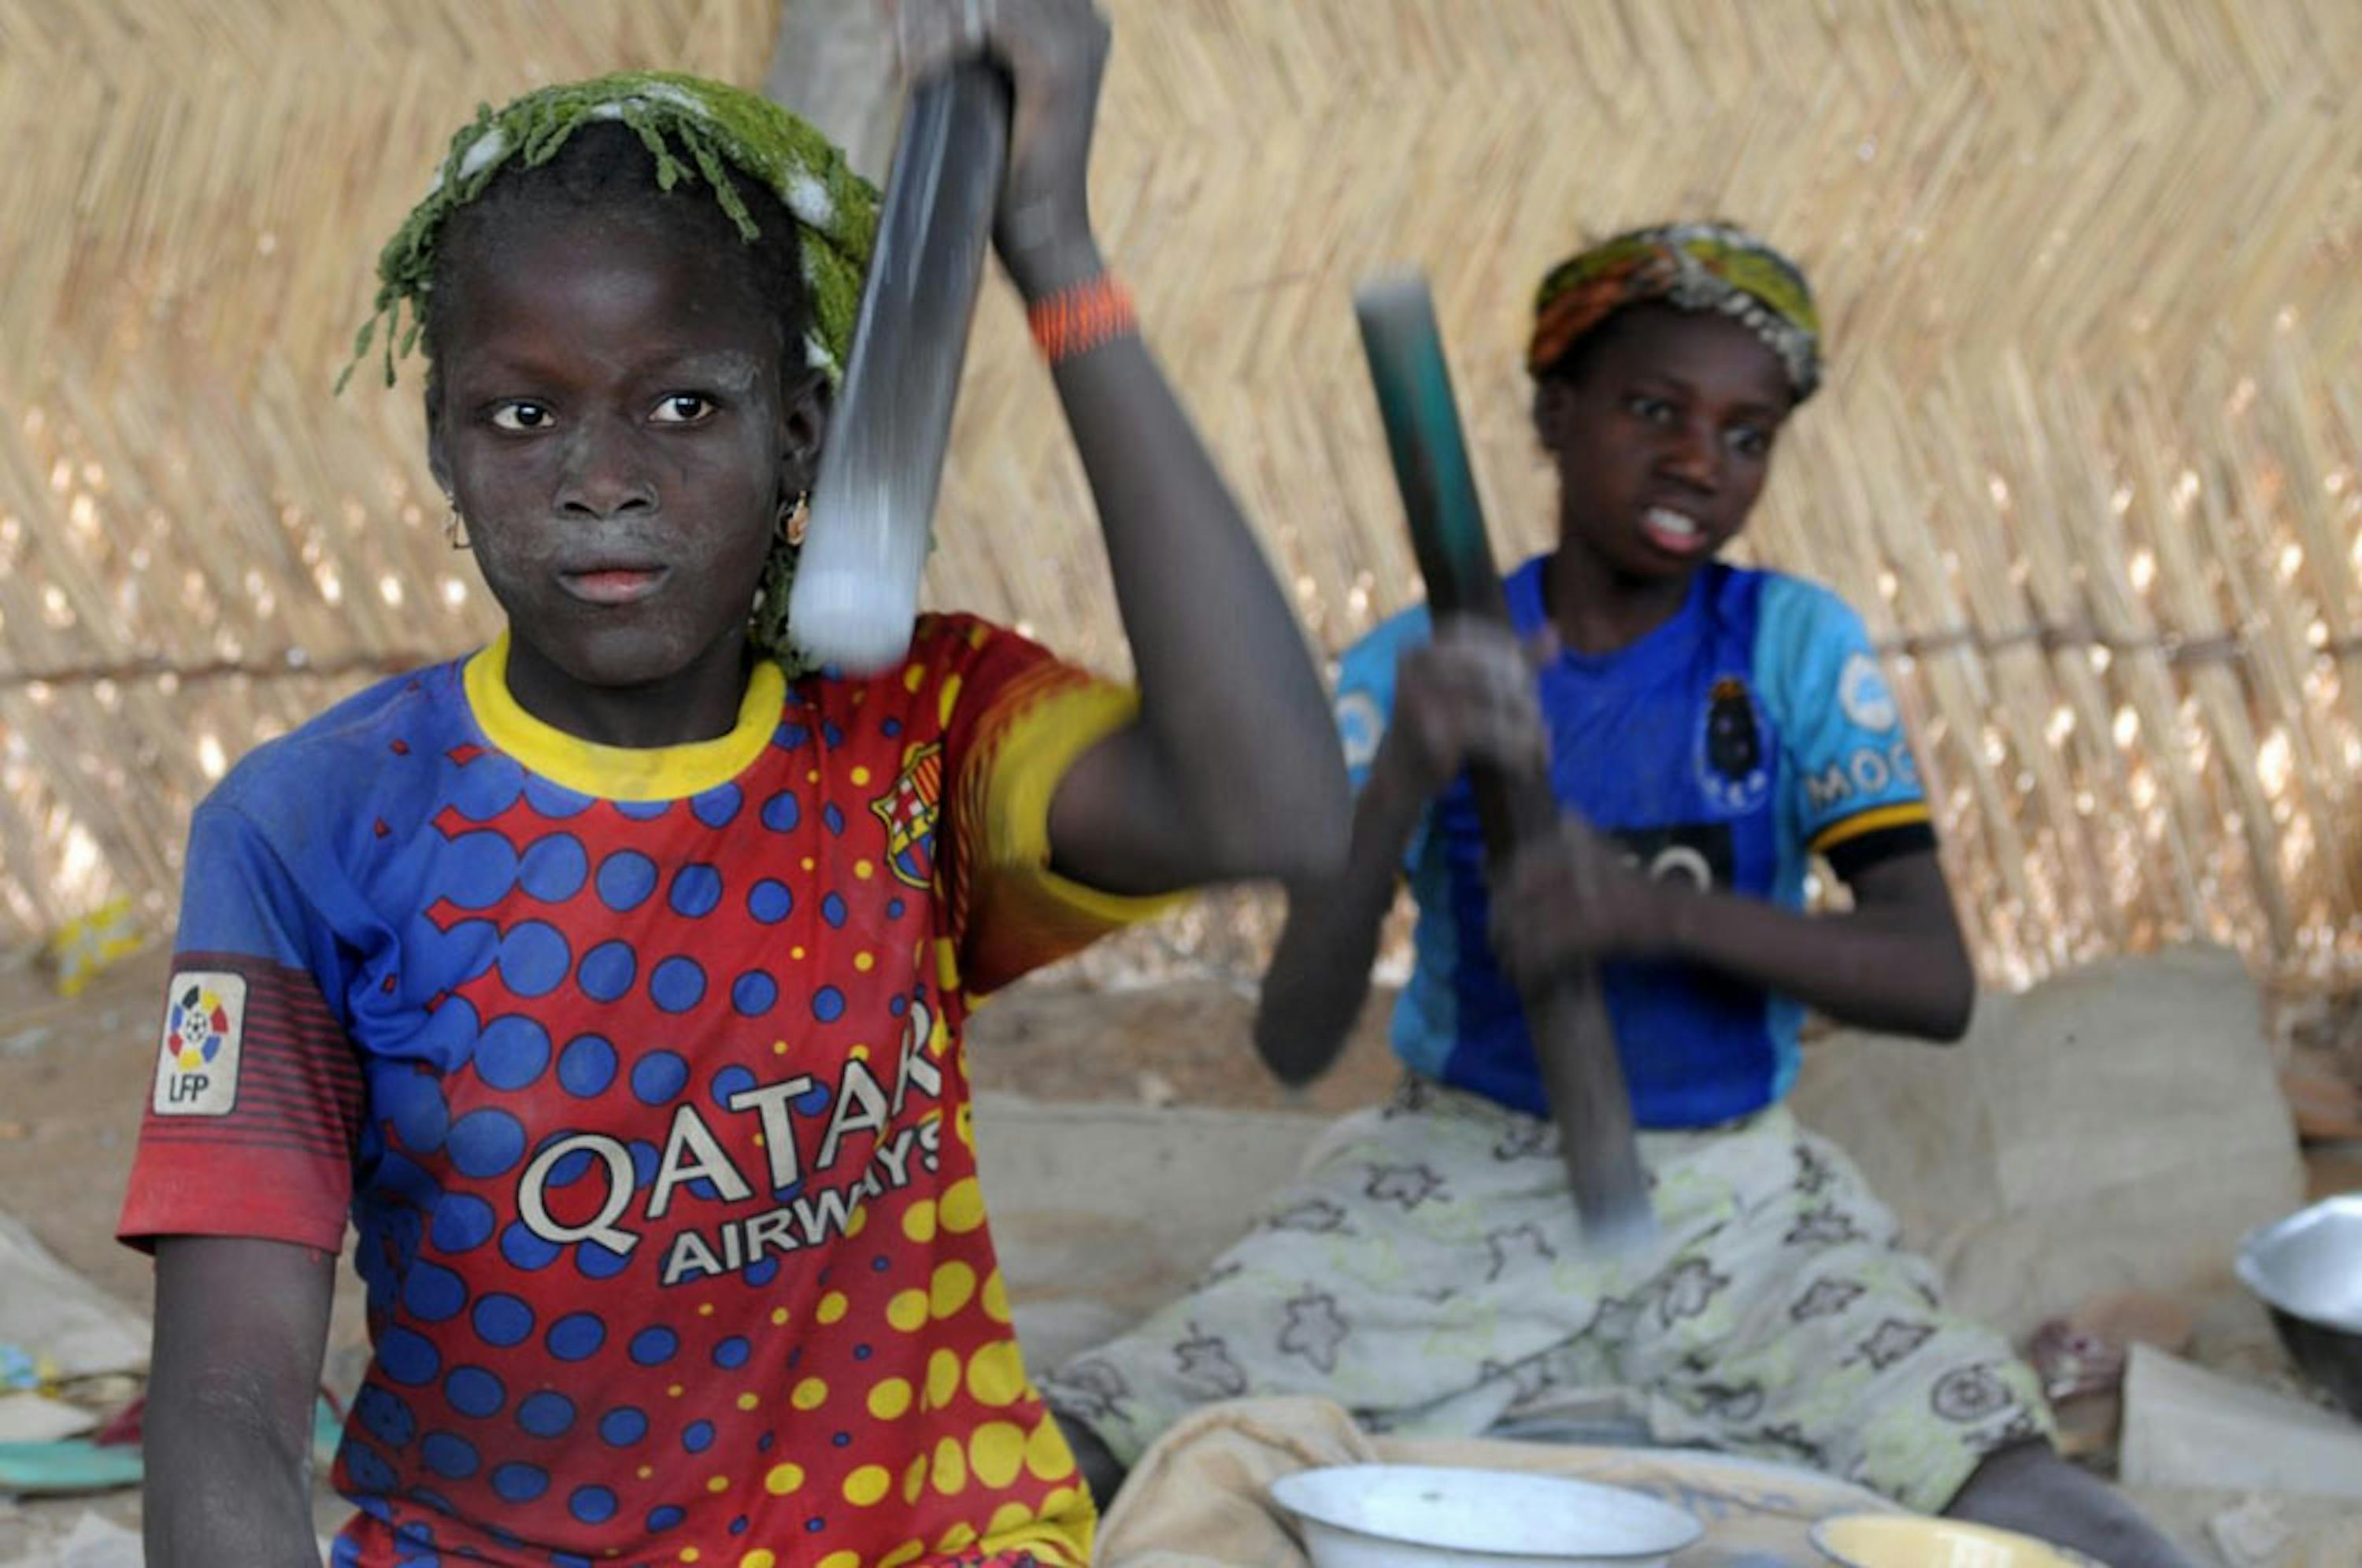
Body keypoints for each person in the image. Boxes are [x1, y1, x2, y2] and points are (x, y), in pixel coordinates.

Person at [118, 5, 1346, 1565]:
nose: (600, 476)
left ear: (803, 441)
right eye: (522, 412)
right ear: (442, 451)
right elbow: (225, 1398)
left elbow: (1276, 804)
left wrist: (1054, 245)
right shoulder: (317, 829)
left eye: (686, 404)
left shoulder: (921, 737)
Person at [1045, 224, 2190, 1566]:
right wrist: (1408, 775)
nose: (1701, 461)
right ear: (1555, 412)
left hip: (1738, 1196)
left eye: (1748, 434)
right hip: (1459, 1171)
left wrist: (1662, 915)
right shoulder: (1417, 666)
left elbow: (1932, 983)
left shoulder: (1791, 651)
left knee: (1993, 1463)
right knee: (1117, 1420)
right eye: (1655, 410)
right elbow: (1295, 1031)